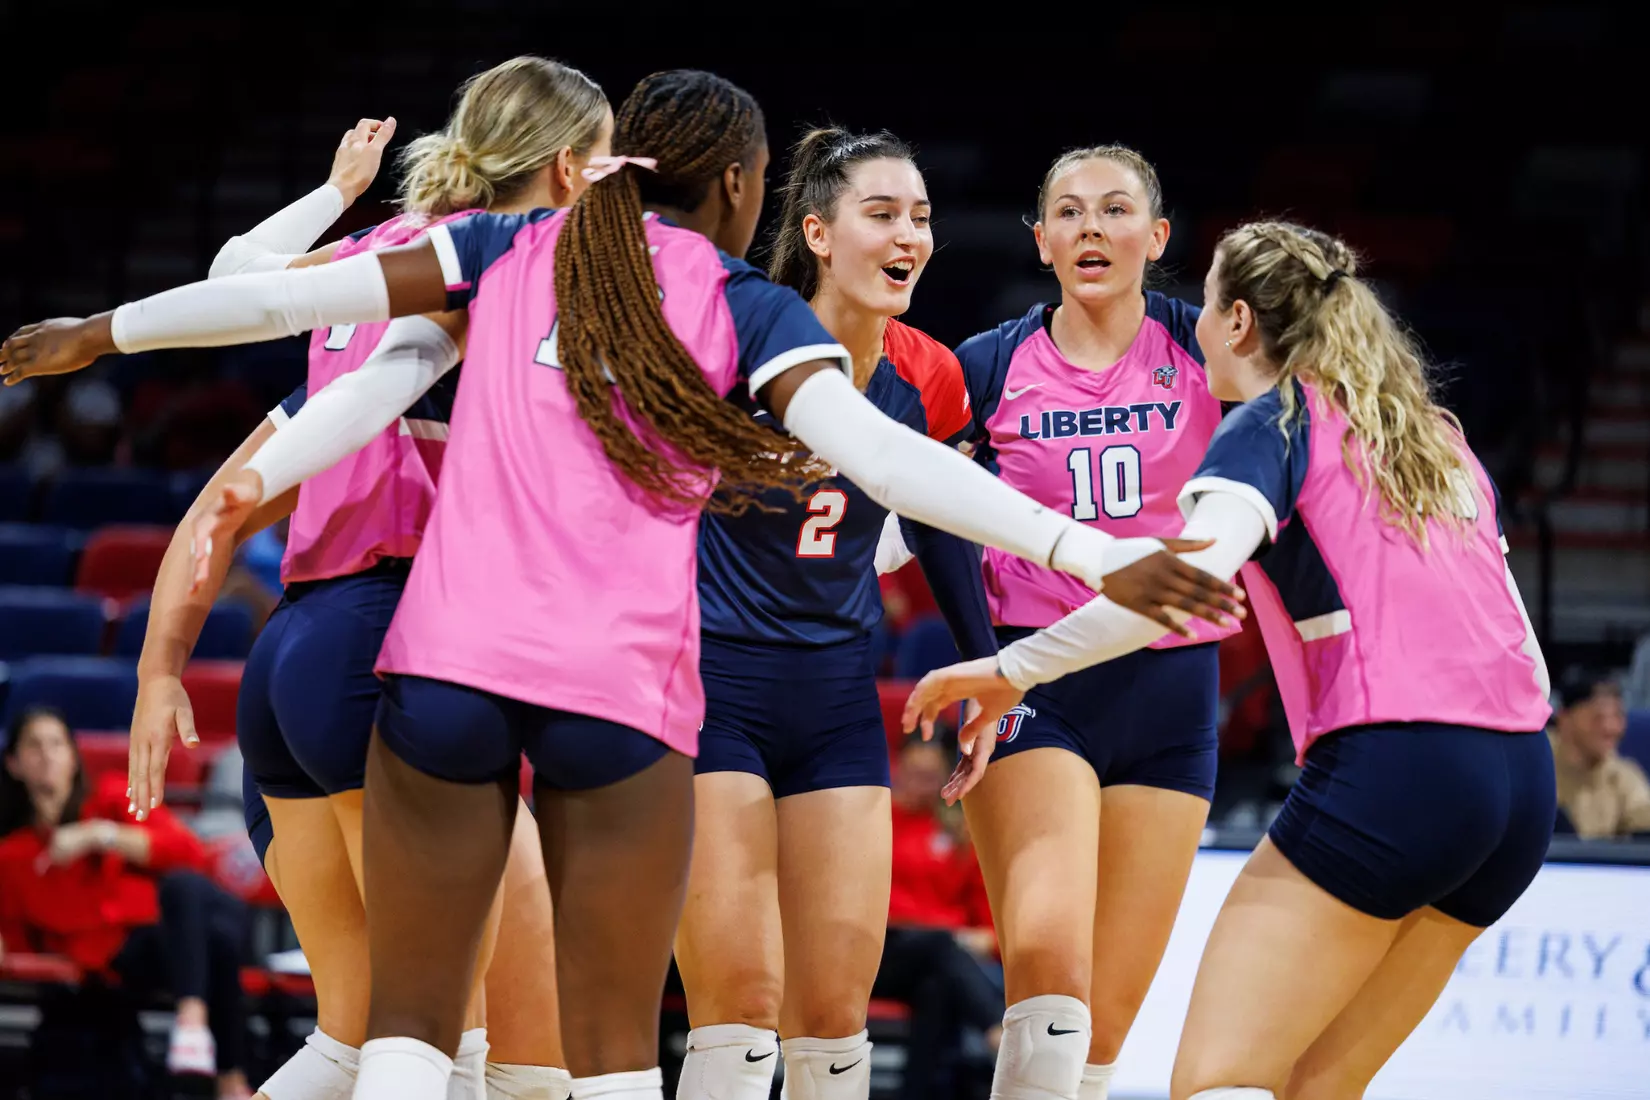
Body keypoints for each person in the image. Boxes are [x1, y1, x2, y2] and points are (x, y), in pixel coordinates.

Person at [1, 67, 1241, 1100]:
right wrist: (1088, 549)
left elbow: (285, 303)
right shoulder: (742, 303)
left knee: (401, 1035)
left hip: (439, 672)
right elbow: (890, 459)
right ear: (752, 190)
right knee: (604, 1061)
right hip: (618, 698)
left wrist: (102, 332)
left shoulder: (500, 249)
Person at [903, 221, 1555, 1100]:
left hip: (1399, 763)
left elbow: (1176, 587)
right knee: (1318, 1085)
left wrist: (1009, 670)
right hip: (1522, 784)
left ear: (1240, 322)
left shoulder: (1271, 421)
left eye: (1207, 305)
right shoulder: (1433, 432)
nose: (1194, 325)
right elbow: (1523, 639)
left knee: (1219, 1081)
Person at [124, 56, 610, 1100]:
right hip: (393, 648)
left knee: (349, 1038)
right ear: (570, 168)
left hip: (291, 661)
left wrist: (161, 668)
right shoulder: (511, 276)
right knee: (449, 1043)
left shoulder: (369, 262)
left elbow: (222, 482)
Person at [907, 145, 1240, 1100]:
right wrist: (984, 664)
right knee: (1049, 966)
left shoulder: (1205, 352)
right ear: (1042, 239)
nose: (1093, 227)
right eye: (1070, 211)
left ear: (1158, 236)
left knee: (1104, 1033)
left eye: (1117, 209)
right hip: (1035, 688)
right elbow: (932, 516)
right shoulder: (991, 363)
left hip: (1175, 695)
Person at [673, 126, 995, 1100]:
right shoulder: (734, 336)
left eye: (922, 217)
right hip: (709, 691)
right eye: (883, 213)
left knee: (834, 1024)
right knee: (740, 1009)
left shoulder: (931, 373)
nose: (911, 235)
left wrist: (987, 668)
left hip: (837, 701)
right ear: (817, 230)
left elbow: (942, 526)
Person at [0, 707, 252, 1097]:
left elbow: (189, 854)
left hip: (174, 921)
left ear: (72, 756)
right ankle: (230, 1079)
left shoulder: (112, 798)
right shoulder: (13, 854)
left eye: (56, 744)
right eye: (34, 746)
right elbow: (15, 933)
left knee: (185, 888)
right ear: (14, 764)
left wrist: (100, 835)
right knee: (216, 941)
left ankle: (192, 1020)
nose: (47, 755)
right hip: (122, 954)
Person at [878, 737, 1004, 1100]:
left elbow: (990, 930)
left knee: (937, 985)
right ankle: (996, 1029)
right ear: (898, 769)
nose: (920, 783)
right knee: (939, 948)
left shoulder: (963, 834)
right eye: (913, 773)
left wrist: (970, 940)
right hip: (872, 951)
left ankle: (913, 1094)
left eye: (930, 775)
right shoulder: (873, 819)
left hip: (938, 956)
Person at [1549, 667, 1650, 838]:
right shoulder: (1534, 766)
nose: (1611, 728)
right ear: (1564, 719)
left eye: (1617, 717)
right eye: (1598, 717)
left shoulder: (1623, 776)